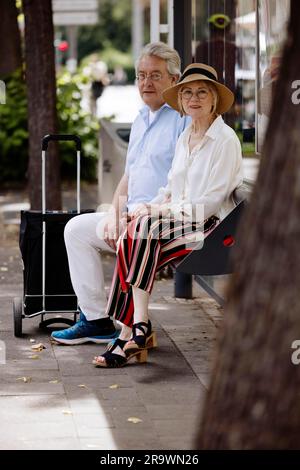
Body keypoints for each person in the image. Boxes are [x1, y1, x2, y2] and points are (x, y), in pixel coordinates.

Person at [93, 63, 243, 368]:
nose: (194, 98)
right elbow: (170, 187)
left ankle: (131, 332)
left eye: (202, 92)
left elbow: (210, 203)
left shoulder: (225, 140)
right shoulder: (186, 135)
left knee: (138, 233)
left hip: (211, 230)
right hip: (179, 224)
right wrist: (152, 205)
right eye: (187, 93)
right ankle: (135, 330)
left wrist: (159, 210)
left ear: (215, 99)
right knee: (134, 232)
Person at [51, 42, 190, 345]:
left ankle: (134, 328)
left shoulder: (184, 120)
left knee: (132, 234)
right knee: (75, 229)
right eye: (141, 75)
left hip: (161, 219)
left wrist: (138, 214)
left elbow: (181, 184)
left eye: (155, 75)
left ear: (174, 80)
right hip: (131, 214)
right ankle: (97, 321)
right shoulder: (141, 118)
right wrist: (115, 214)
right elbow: (129, 176)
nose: (146, 83)